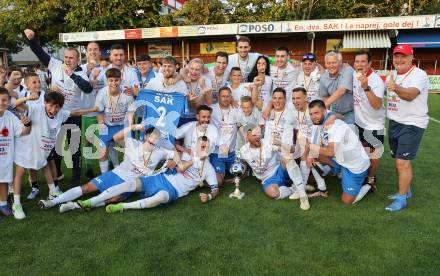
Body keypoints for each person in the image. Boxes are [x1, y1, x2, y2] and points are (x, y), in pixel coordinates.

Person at [38, 125, 180, 213]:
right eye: (154, 136)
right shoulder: (133, 143)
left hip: (132, 183)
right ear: (147, 136)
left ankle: (73, 206)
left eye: (157, 137)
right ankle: (52, 202)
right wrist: (132, 127)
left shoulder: (161, 151)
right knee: (87, 188)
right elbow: (116, 137)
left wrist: (173, 162)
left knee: (113, 199)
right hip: (116, 174)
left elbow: (177, 155)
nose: (156, 139)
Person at [76, 136, 219, 213]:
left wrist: (210, 196)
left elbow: (215, 188)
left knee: (161, 198)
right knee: (130, 184)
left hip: (173, 190)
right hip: (160, 178)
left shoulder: (209, 169)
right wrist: (185, 160)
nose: (202, 148)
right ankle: (91, 202)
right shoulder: (186, 155)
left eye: (205, 147)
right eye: (200, 145)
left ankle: (123, 207)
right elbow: (179, 167)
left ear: (210, 149)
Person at [24, 29, 93, 186]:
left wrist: (71, 75)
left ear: (78, 59)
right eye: (66, 57)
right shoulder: (55, 65)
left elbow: (87, 88)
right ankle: (58, 174)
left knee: (74, 149)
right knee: (55, 148)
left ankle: (76, 179)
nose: (68, 60)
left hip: (73, 116)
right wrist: (31, 39)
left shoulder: (81, 73)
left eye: (71, 58)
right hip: (55, 115)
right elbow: (39, 53)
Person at [12, 92, 90, 219]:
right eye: (51, 106)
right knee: (20, 172)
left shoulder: (61, 113)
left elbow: (74, 113)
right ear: (45, 103)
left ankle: (53, 191)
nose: (53, 110)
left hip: (43, 149)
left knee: (46, 166)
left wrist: (93, 109)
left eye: (57, 107)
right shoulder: (36, 109)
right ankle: (16, 204)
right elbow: (16, 104)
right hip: (27, 147)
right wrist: (28, 98)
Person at [384, 44, 429, 212]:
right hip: (395, 122)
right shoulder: (393, 74)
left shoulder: (420, 74)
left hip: (413, 123)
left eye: (403, 56)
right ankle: (406, 190)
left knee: (402, 162)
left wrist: (395, 87)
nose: (399, 59)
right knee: (398, 161)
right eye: (396, 56)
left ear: (411, 57)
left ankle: (401, 199)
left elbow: (410, 95)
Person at [307, 100, 370, 204]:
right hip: (341, 159)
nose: (313, 116)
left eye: (316, 113)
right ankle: (322, 188)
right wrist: (310, 153)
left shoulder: (335, 126)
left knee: (347, 200)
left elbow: (331, 152)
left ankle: (367, 185)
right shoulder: (324, 119)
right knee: (310, 155)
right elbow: (336, 115)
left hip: (355, 167)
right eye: (311, 114)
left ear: (324, 112)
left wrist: (309, 146)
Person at [240, 126, 309, 210]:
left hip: (279, 170)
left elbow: (291, 150)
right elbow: (244, 163)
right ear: (247, 137)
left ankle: (303, 195)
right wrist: (239, 176)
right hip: (268, 179)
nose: (258, 137)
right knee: (272, 192)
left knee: (287, 157)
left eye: (258, 134)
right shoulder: (243, 150)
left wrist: (278, 143)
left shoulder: (267, 143)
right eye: (254, 135)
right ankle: (294, 188)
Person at [352, 51, 386, 192]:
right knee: (362, 151)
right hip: (359, 122)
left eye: (363, 61)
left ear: (370, 64)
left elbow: (377, 104)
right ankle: (363, 174)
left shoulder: (376, 81)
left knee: (374, 152)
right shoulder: (354, 74)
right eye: (357, 61)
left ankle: (371, 179)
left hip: (374, 124)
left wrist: (366, 87)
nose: (359, 64)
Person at [91, 68, 134, 174]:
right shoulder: (102, 93)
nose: (114, 83)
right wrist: (101, 125)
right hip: (106, 125)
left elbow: (130, 112)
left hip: (122, 125)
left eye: (116, 80)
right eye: (111, 80)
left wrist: (130, 125)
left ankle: (128, 171)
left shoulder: (127, 93)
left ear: (121, 80)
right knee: (102, 149)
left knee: (129, 148)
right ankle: (105, 175)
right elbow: (100, 112)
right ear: (107, 80)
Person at [290, 87, 329, 196]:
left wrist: (307, 148)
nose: (295, 101)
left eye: (298, 98)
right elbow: (300, 132)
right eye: (293, 98)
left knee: (306, 153)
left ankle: (301, 186)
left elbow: (319, 134)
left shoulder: (313, 111)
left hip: (322, 143)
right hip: (307, 142)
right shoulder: (295, 112)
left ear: (306, 98)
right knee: (299, 150)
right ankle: (321, 187)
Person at [0, 88, 31, 217]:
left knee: (3, 180)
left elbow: (24, 131)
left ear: (8, 102)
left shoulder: (10, 116)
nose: (1, 103)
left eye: (4, 100)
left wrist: (27, 124)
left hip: (5, 154)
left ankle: (3, 204)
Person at [81, 41, 105, 180]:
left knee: (104, 140)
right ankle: (88, 167)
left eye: (95, 49)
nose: (93, 52)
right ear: (86, 52)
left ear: (99, 52)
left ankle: (106, 165)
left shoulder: (105, 68)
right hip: (88, 110)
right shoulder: (81, 69)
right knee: (89, 140)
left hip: (102, 111)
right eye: (90, 49)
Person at [209, 87, 239, 186]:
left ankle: (230, 170)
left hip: (232, 152)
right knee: (218, 182)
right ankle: (200, 180)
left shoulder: (236, 109)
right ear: (218, 97)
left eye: (228, 96)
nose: (225, 99)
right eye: (223, 96)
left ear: (231, 97)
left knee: (239, 175)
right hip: (217, 152)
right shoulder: (211, 109)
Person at [319, 51, 355, 124]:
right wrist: (326, 113)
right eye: (328, 63)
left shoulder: (348, 70)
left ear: (340, 62)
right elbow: (325, 97)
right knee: (331, 133)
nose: (331, 65)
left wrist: (322, 107)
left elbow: (341, 91)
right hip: (334, 112)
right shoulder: (323, 78)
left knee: (350, 133)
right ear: (325, 64)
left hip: (350, 112)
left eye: (334, 62)